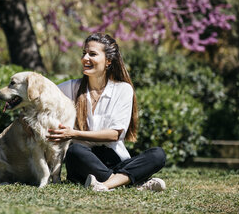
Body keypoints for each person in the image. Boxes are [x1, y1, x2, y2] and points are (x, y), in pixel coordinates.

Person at [47, 33, 166, 191]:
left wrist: (73, 133)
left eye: (92, 54)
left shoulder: (123, 89)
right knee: (75, 151)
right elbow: (44, 96)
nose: (85, 58)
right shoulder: (69, 87)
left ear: (109, 61)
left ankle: (105, 185)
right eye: (84, 53)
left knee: (158, 154)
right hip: (83, 162)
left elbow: (115, 135)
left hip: (115, 160)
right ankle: (131, 183)